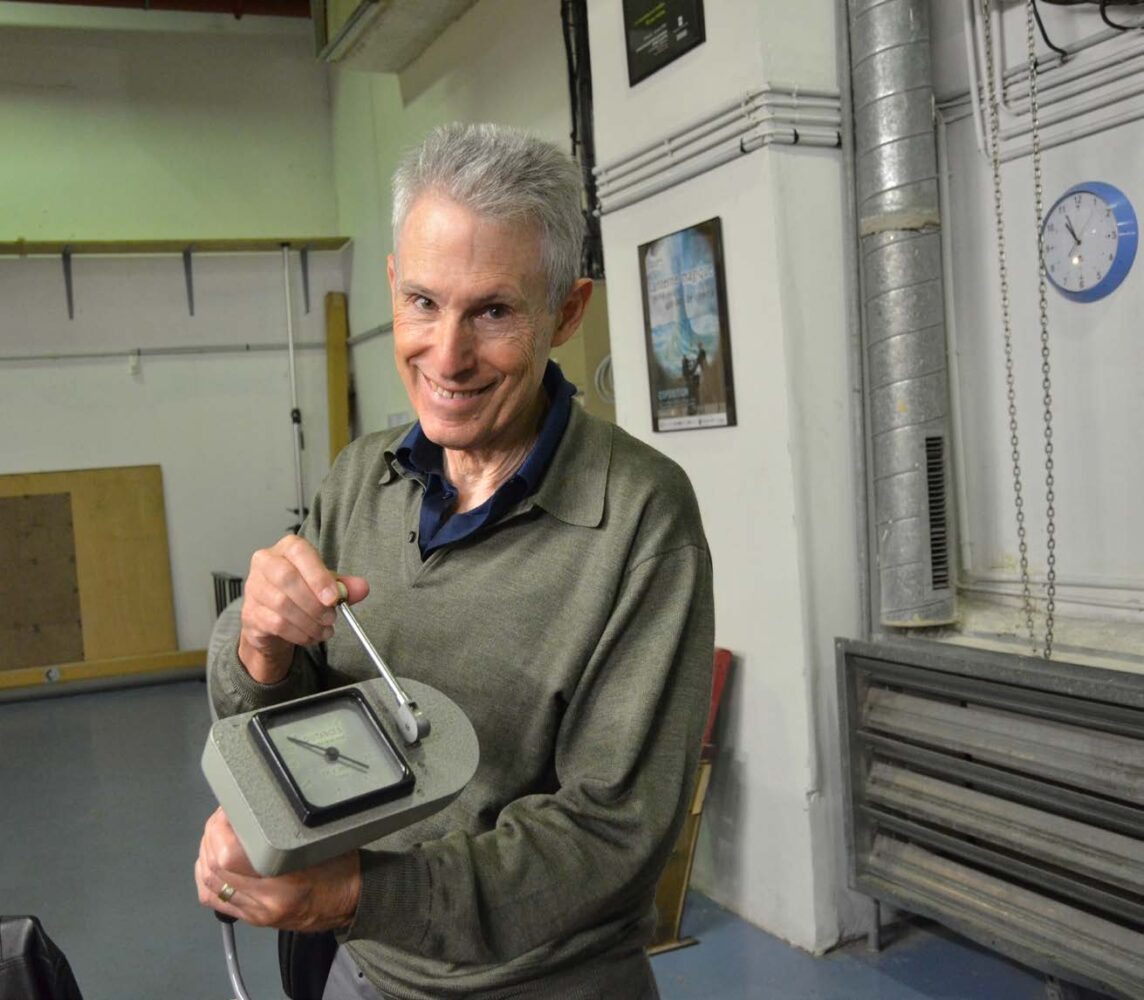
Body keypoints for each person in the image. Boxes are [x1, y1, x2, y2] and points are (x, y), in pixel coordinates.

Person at [196, 122, 715, 1000]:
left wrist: (356, 893)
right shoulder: (362, 477)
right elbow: (292, 728)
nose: (447, 357)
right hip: (362, 965)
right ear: (394, 287)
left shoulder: (640, 519)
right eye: (425, 303)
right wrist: (259, 650)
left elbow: (610, 836)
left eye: (495, 312)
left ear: (568, 310)